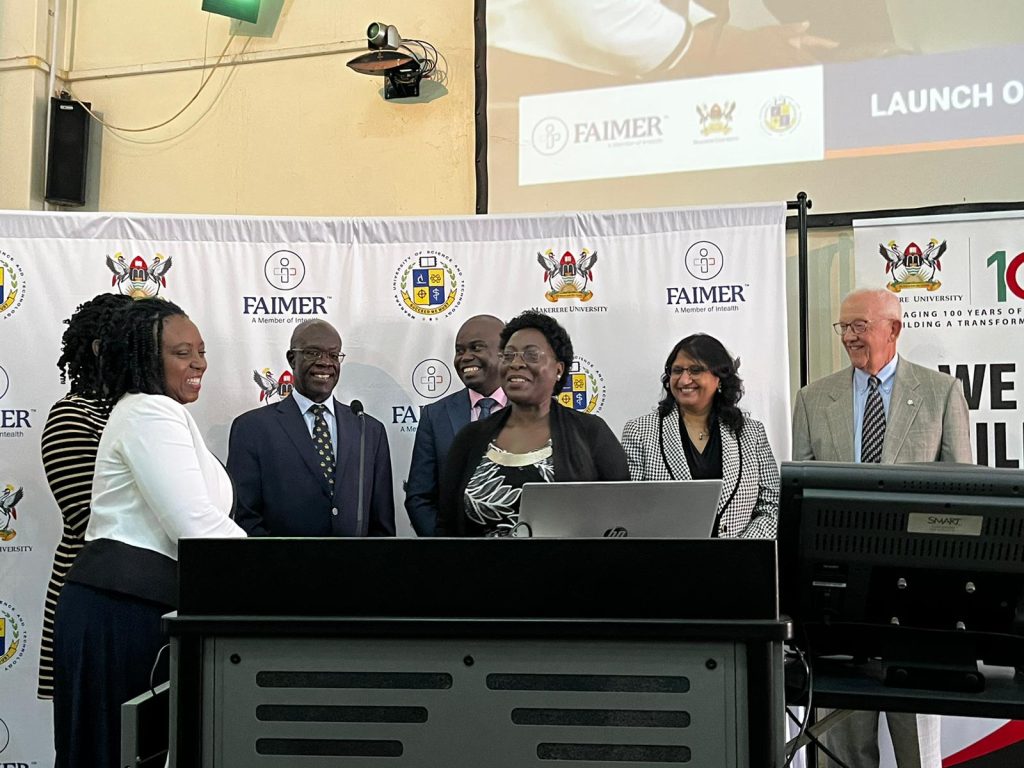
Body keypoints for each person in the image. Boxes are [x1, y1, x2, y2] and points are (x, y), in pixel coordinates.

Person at [52, 298, 245, 768]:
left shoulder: (159, 412)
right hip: (122, 612)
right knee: (118, 752)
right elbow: (194, 524)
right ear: (143, 355)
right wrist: (276, 572)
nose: (199, 362)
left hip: (136, 607)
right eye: (182, 352)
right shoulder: (149, 412)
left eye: (201, 350)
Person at [791, 287, 972, 768]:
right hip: (840, 602)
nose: (849, 336)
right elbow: (803, 500)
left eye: (860, 326)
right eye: (844, 327)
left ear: (893, 329)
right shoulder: (813, 398)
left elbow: (964, 495)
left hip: (918, 600)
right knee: (841, 749)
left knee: (918, 745)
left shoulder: (941, 393)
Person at [437, 310, 628, 536]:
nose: (516, 363)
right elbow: (447, 526)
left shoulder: (590, 433)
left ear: (559, 369)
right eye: (508, 355)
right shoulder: (470, 438)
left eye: (531, 355)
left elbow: (622, 519)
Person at [37, 292, 133, 700]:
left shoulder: (137, 413)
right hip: (94, 603)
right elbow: (89, 517)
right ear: (100, 349)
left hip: (135, 603)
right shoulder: (71, 415)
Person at [227, 319, 396, 537]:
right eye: (313, 353)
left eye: (333, 355)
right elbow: (246, 518)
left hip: (356, 568)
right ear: (292, 359)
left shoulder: (368, 430)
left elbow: (381, 525)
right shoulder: (252, 429)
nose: (325, 362)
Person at [620, 334, 779, 538]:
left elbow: (772, 505)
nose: (684, 379)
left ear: (719, 377)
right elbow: (629, 509)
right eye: (677, 370)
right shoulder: (640, 431)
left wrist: (740, 550)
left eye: (695, 370)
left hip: (738, 562)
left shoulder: (751, 433)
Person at [405, 315, 506, 536]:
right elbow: (419, 497)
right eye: (460, 351)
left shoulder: (529, 411)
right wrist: (446, 549)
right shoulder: (435, 415)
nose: (465, 357)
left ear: (504, 352)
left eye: (476, 348)